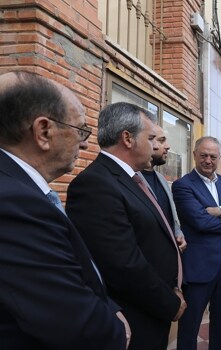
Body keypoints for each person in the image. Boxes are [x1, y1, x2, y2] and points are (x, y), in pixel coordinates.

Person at [0, 70, 129, 349]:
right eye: (81, 130)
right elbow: (74, 324)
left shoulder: (21, 189)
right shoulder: (14, 203)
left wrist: (108, 304)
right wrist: (116, 330)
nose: (85, 143)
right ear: (44, 131)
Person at [66, 102, 186, 350]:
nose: (154, 145)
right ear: (128, 139)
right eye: (150, 137)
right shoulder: (96, 184)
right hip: (134, 317)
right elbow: (122, 264)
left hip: (152, 311)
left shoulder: (131, 178)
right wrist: (169, 303)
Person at [172, 136, 221, 350]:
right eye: (203, 155)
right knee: (191, 322)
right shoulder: (183, 185)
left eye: (213, 156)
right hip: (199, 264)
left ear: (219, 158)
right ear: (194, 154)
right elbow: (199, 221)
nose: (208, 160)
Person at [138, 124, 187, 252]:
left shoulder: (161, 179)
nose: (167, 146)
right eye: (161, 140)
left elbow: (169, 215)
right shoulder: (131, 178)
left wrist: (177, 232)